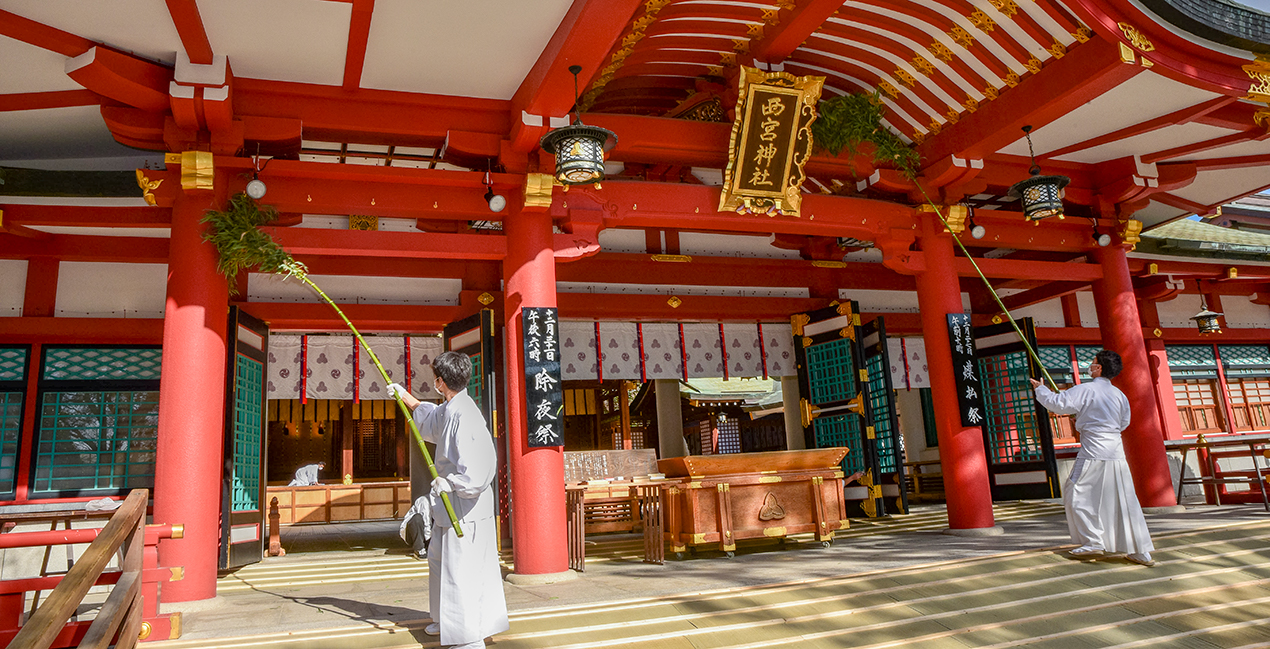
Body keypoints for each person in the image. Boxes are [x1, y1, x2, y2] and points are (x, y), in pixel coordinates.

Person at [387, 351, 508, 649]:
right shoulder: (451, 407)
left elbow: (480, 468)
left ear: (440, 382)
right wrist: (404, 396)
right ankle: (446, 620)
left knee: (461, 570)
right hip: (447, 505)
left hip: (464, 507)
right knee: (439, 563)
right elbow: (430, 419)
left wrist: (451, 482)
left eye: (435, 379)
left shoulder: (466, 415)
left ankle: (468, 635)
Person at [1030, 349, 1156, 567]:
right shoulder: (1119, 395)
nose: (1090, 364)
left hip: (1093, 450)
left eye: (1093, 362)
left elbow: (1058, 404)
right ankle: (1141, 551)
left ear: (1099, 368)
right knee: (1124, 499)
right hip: (1116, 451)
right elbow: (1124, 422)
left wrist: (1041, 389)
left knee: (1075, 491)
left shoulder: (1086, 389)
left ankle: (1093, 540)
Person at [399, 494, 431, 560]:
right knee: (417, 518)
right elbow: (426, 522)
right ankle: (419, 549)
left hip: (428, 534)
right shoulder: (424, 500)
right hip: (412, 532)